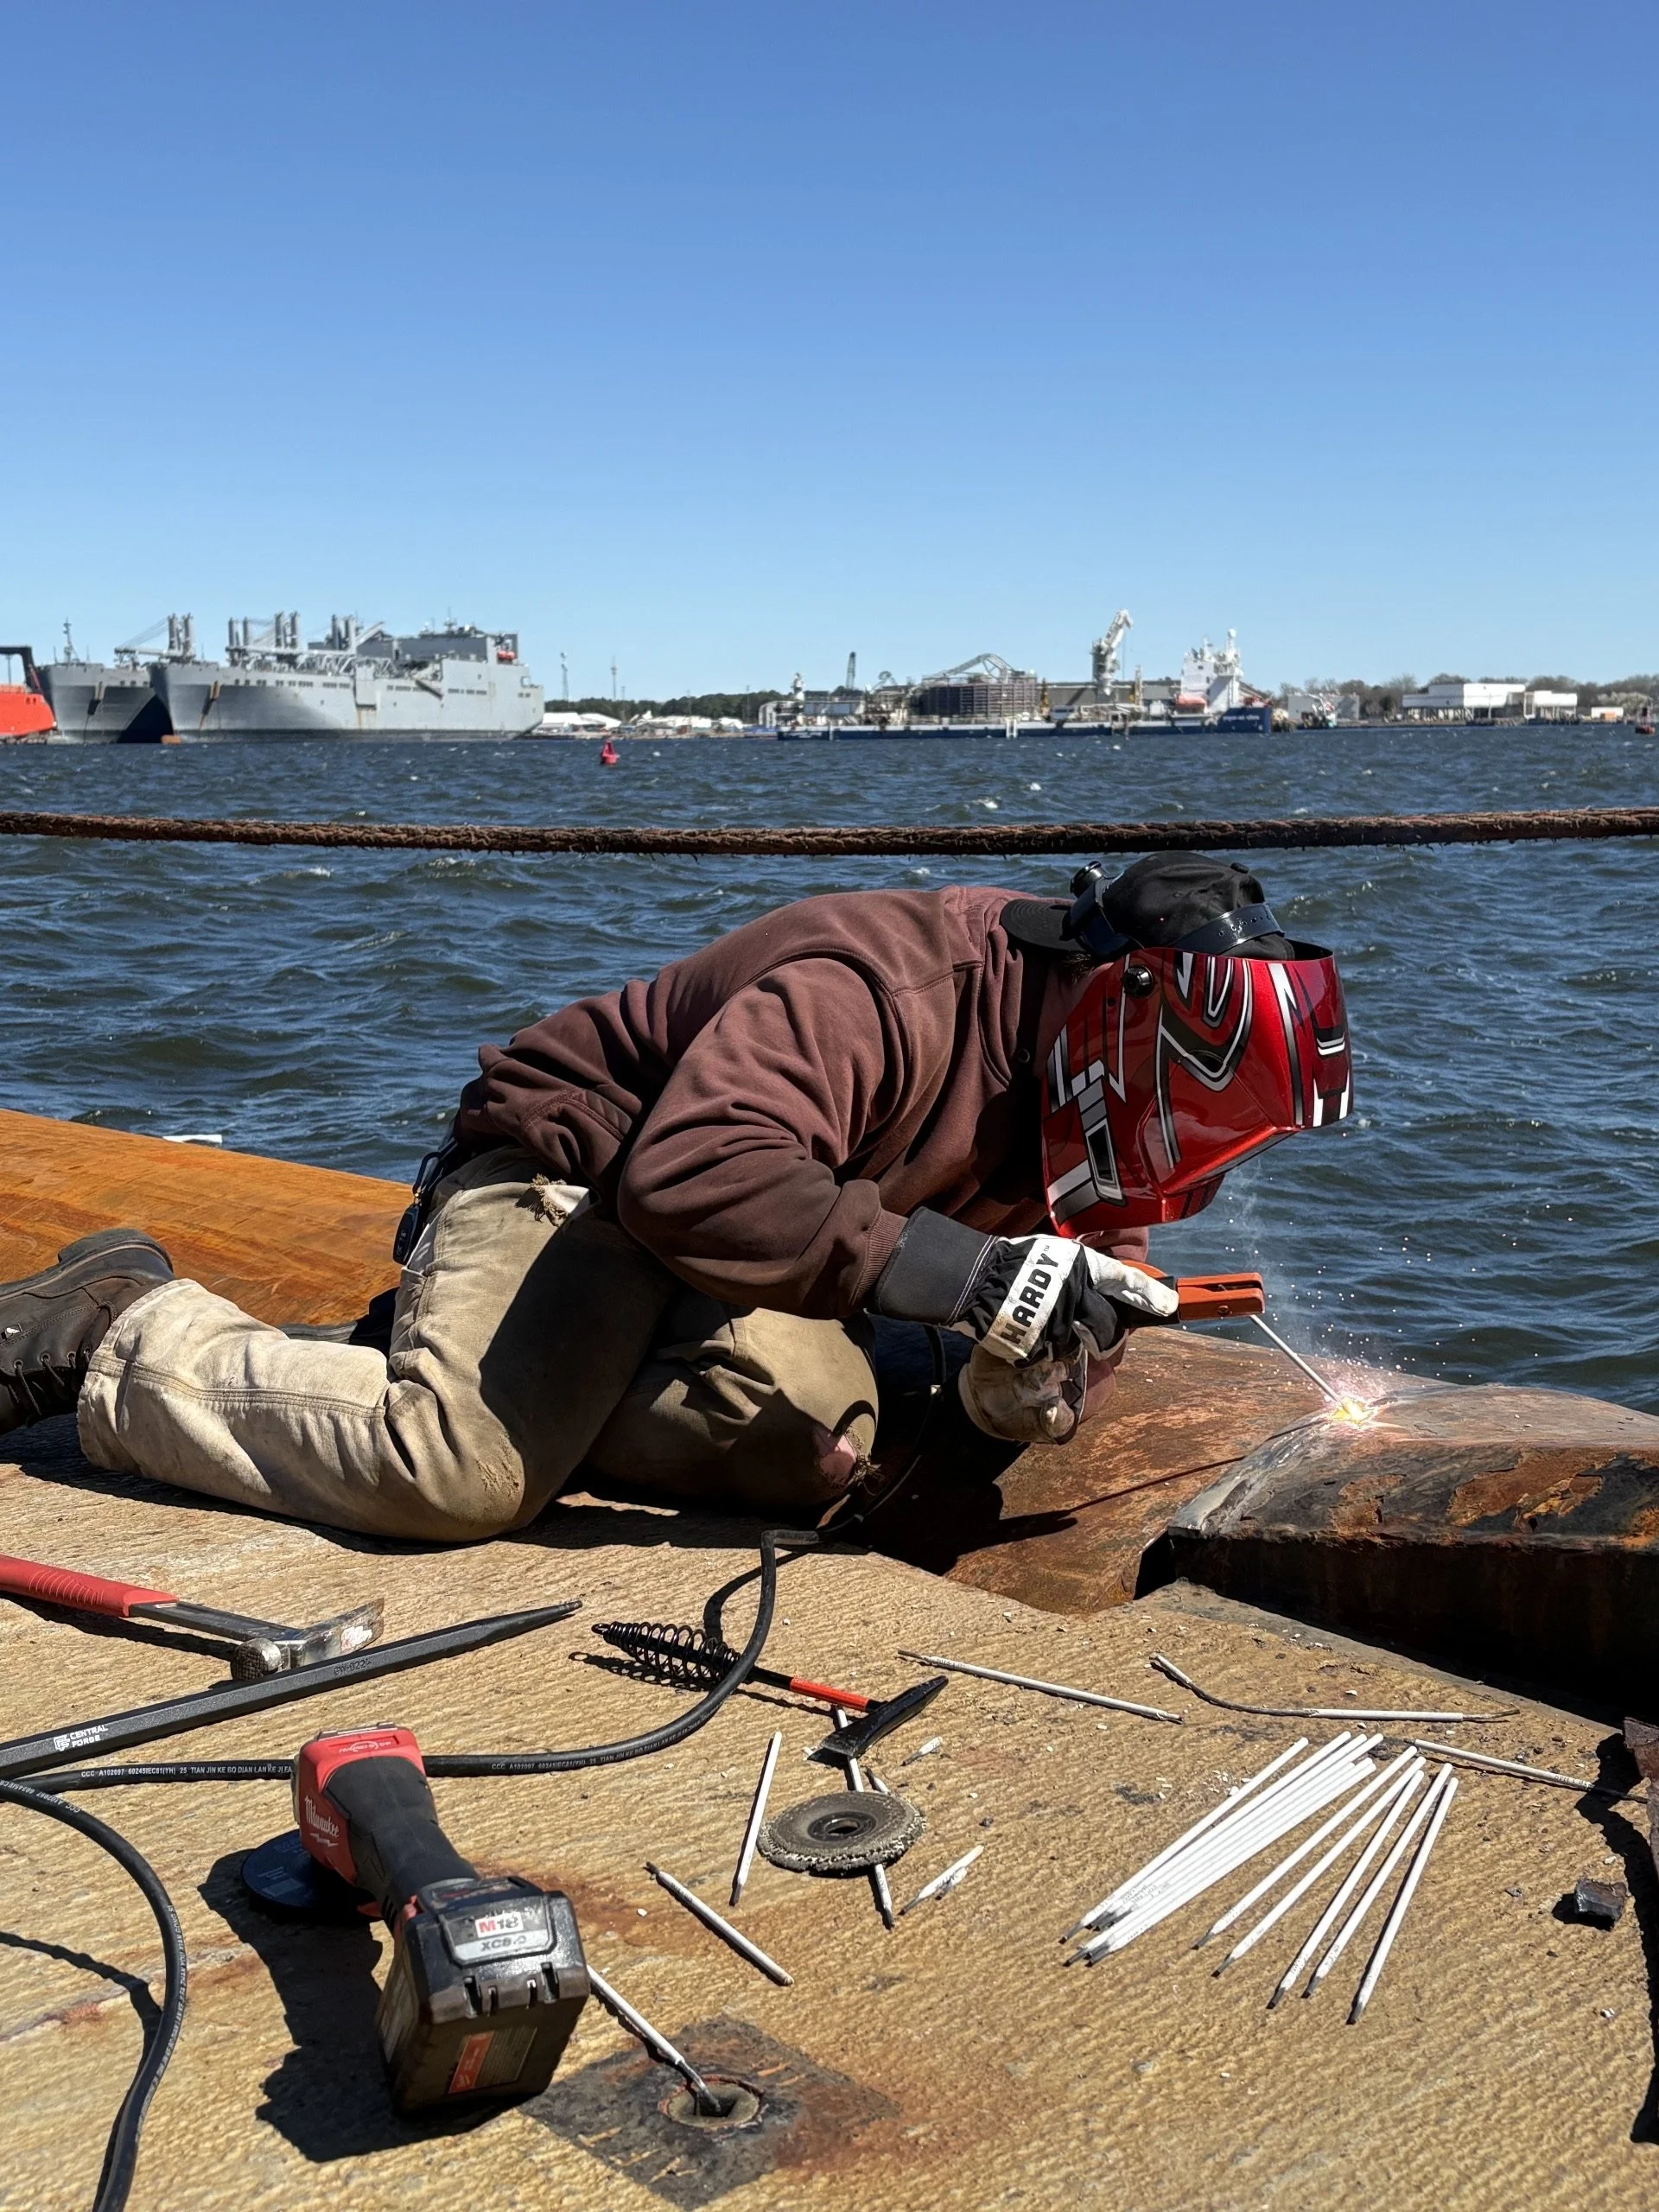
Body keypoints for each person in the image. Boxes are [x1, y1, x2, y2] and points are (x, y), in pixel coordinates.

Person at [0, 853, 1351, 1541]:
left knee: (818, 1448)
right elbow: (691, 1174)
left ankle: (492, 1361)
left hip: (752, 1239)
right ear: (1119, 1014)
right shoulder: (884, 989)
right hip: (580, 1178)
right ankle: (114, 1328)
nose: (1181, 1160)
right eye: (1185, 1114)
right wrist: (966, 1282)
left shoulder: (1103, 1092)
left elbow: (1055, 1272)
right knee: (459, 1476)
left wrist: (1033, 1373)